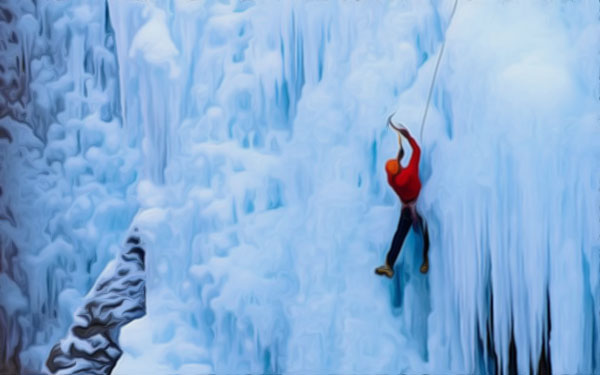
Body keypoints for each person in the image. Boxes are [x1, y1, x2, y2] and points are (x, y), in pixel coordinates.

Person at [375, 116, 430, 278]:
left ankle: (389, 265)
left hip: (406, 207)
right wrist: (408, 137)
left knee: (400, 235)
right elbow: (417, 151)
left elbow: (395, 168)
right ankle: (426, 260)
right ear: (399, 168)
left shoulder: (391, 180)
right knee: (426, 231)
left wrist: (399, 156)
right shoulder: (409, 173)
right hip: (418, 205)